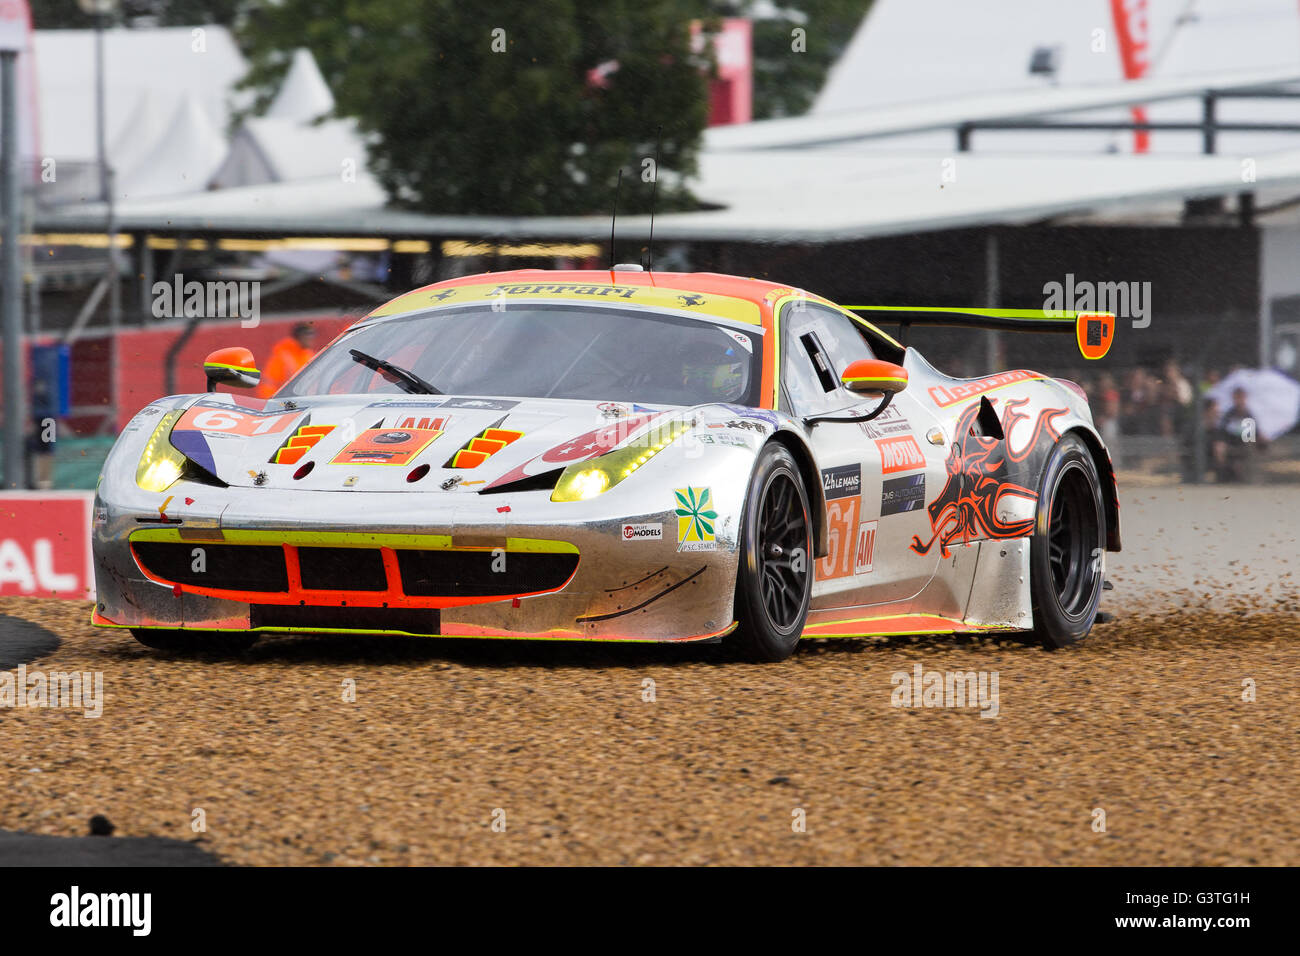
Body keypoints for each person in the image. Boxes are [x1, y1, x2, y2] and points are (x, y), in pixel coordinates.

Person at [256, 323, 317, 398]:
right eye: (308, 335)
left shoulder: (310, 355)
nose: (311, 338)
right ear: (300, 337)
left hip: (305, 401)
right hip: (284, 403)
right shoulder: (282, 356)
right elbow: (269, 384)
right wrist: (271, 403)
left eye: (312, 334)